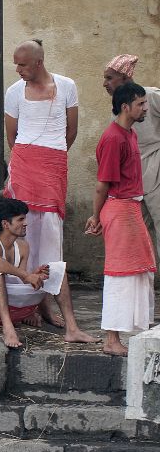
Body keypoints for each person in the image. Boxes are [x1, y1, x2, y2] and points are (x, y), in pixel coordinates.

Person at [86, 81, 155, 356]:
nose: (145, 108)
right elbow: (102, 184)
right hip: (120, 209)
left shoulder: (130, 133)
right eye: (141, 103)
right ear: (126, 107)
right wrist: (95, 217)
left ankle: (125, 334)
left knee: (138, 269)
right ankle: (111, 340)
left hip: (130, 209)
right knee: (120, 274)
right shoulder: (114, 138)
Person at [0, 198, 97, 349]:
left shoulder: (23, 246)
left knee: (57, 271)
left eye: (25, 218)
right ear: (5, 224)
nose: (26, 223)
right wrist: (26, 276)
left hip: (14, 307)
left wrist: (35, 275)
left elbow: (20, 280)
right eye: (20, 219)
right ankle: (8, 329)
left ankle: (73, 330)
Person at [3, 39, 78, 278]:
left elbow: (72, 131)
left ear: (39, 62)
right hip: (24, 165)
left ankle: (49, 288)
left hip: (53, 165)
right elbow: (11, 137)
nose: (18, 70)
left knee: (51, 227)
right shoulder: (14, 91)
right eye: (16, 64)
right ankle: (24, 288)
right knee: (23, 221)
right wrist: (30, 159)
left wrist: (51, 157)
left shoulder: (67, 86)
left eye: (23, 65)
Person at [101, 55, 160, 256]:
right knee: (135, 231)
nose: (105, 84)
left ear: (125, 78)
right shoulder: (119, 107)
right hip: (132, 179)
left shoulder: (150, 96)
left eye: (110, 78)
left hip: (156, 170)